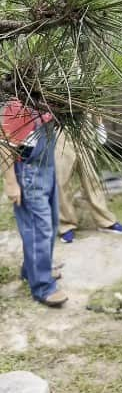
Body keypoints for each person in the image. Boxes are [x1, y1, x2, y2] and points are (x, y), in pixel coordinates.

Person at [2, 104, 68, 307]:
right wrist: (11, 182)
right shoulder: (15, 105)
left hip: (47, 169)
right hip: (29, 173)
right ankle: (42, 286)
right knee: (39, 229)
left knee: (51, 224)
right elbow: (3, 145)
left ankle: (33, 269)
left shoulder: (43, 98)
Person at [56, 122, 122, 243]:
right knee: (61, 181)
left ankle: (104, 220)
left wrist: (99, 125)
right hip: (59, 129)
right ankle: (66, 224)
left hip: (84, 126)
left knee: (92, 177)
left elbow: (94, 104)